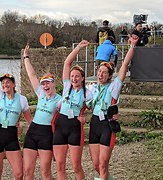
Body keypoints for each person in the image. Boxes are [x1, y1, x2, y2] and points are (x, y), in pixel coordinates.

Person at [87, 34, 138, 180]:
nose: (100, 75)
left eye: (104, 73)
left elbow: (124, 67)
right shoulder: (92, 88)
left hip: (107, 125)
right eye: (99, 72)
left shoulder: (113, 87)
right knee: (96, 165)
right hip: (95, 123)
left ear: (109, 76)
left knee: (103, 164)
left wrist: (132, 46)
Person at [53, 40, 93, 180]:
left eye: (77, 76)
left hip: (75, 128)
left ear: (82, 78)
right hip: (61, 125)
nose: (74, 78)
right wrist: (78, 48)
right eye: (72, 76)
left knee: (76, 165)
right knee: (59, 164)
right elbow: (67, 63)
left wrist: (85, 117)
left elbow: (95, 107)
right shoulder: (66, 86)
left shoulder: (87, 93)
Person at [23, 44, 62, 180]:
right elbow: (31, 75)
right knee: (28, 170)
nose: (45, 86)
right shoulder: (40, 94)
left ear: (53, 83)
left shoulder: (60, 100)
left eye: (48, 83)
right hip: (33, 131)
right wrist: (26, 57)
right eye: (43, 83)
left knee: (45, 171)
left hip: (46, 134)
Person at [0, 72, 33, 180]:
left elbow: (30, 120)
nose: (5, 85)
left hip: (11, 137)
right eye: (3, 83)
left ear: (14, 84)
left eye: (8, 82)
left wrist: (43, 132)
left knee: (19, 173)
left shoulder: (22, 99)